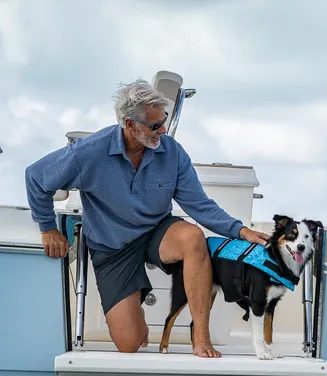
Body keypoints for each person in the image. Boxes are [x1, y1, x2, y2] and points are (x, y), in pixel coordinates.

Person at [25, 79, 269, 358]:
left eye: (163, 122)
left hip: (156, 232)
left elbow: (199, 204)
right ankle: (134, 303)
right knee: (129, 344)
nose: (163, 130)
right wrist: (48, 228)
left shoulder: (172, 151)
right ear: (129, 124)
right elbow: (36, 177)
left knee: (193, 237)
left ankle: (201, 338)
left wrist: (241, 231)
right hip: (112, 246)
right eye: (155, 126)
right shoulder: (87, 153)